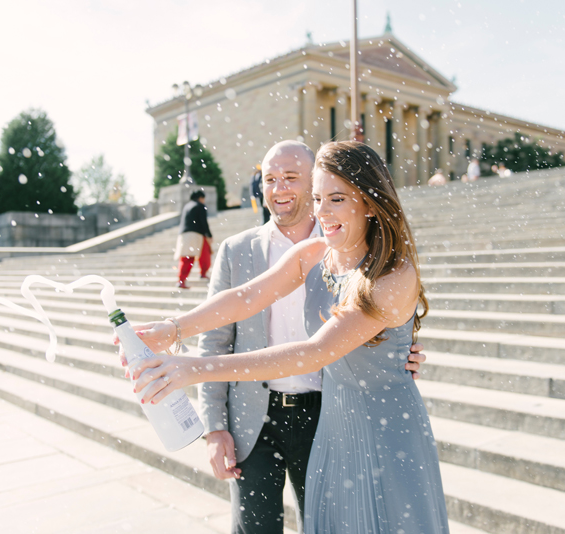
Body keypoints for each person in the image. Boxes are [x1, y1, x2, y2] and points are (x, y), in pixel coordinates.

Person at [121, 141, 449, 534]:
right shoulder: (318, 253)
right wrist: (172, 328)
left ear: (370, 202)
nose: (322, 212)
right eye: (318, 198)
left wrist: (193, 369)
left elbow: (315, 353)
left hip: (384, 430)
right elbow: (246, 297)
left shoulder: (393, 277)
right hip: (334, 429)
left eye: (337, 199)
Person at [198, 140, 425, 533]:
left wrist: (396, 349)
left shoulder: (351, 244)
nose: (278, 188)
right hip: (253, 417)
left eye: (290, 178)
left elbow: (342, 336)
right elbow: (218, 334)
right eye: (269, 179)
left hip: (327, 414)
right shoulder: (238, 251)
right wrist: (214, 427)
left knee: (327, 526)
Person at [175, 190, 212, 289]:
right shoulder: (200, 206)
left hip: (183, 234)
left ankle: (181, 279)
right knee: (202, 255)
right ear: (201, 198)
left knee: (186, 257)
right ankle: (202, 273)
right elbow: (204, 222)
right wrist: (209, 234)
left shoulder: (187, 206)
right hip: (196, 233)